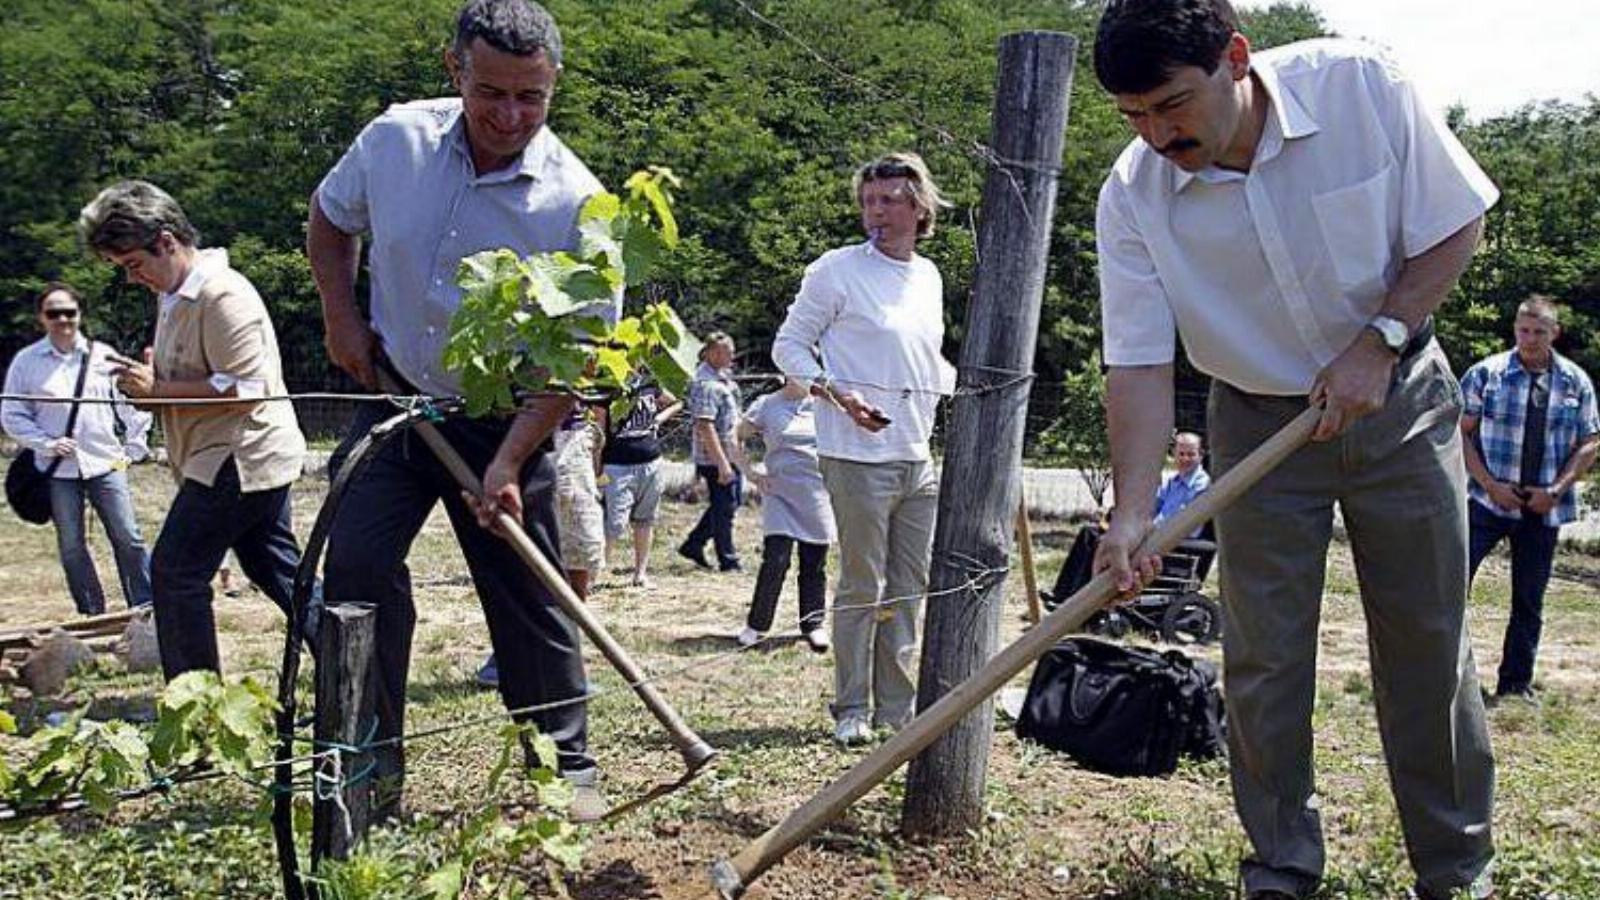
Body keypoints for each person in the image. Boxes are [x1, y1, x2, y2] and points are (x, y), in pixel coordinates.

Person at [1089, 3, 1498, 898]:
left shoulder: (1361, 88)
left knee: (1426, 644)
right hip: (1256, 428)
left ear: (1236, 58)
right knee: (1265, 658)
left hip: (1400, 402)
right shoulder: (1132, 196)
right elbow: (1140, 364)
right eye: (1135, 117)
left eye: (1172, 105)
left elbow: (1456, 222)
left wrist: (1380, 339)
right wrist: (1130, 514)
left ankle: (1456, 868)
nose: (1158, 135)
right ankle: (1281, 864)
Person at [305, 0, 607, 820]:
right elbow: (330, 222)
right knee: (356, 577)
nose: (510, 116)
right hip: (394, 397)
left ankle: (563, 769)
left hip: (503, 418)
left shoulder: (576, 203)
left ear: (554, 86)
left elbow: (575, 355)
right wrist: (341, 315)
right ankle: (365, 769)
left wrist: (510, 459)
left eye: (531, 98)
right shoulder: (394, 141)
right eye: (492, 93)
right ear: (455, 72)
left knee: (529, 594)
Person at [79, 180, 311, 679]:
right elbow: (204, 370)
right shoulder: (178, 293)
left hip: (237, 459)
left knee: (174, 573)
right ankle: (359, 664)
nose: (132, 278)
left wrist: (156, 390)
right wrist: (157, 375)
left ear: (165, 241)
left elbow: (246, 387)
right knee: (277, 571)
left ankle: (196, 712)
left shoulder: (223, 294)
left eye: (133, 264)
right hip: (226, 457)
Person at [773, 151, 956, 745]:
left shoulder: (928, 277)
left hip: (916, 457)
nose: (875, 211)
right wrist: (837, 394)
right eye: (868, 201)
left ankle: (896, 713)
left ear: (919, 206)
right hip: (855, 456)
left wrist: (972, 389)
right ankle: (851, 706)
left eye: (889, 199)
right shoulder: (837, 270)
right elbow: (789, 348)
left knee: (908, 587)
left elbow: (926, 360)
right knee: (862, 584)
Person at [1460, 295, 1599, 702]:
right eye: (1524, 330)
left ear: (1554, 333)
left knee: (1529, 600)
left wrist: (1556, 491)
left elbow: (1590, 441)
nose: (1530, 339)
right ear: (1515, 329)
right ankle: (1449, 677)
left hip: (1542, 507)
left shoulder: (1575, 382)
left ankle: (1515, 684)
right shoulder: (1488, 374)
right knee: (1451, 588)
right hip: (1487, 502)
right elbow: (1460, 432)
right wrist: (1489, 485)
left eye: (1539, 331)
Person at [3, 283, 153, 616]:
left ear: (79, 314)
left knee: (129, 538)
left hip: (105, 461)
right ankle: (92, 614)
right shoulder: (26, 363)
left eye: (69, 312)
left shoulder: (103, 356)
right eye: (53, 313)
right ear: (41, 318)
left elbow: (132, 400)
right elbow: (12, 413)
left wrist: (134, 446)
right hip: (57, 469)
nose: (63, 320)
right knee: (72, 546)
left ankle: (145, 611)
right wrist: (46, 443)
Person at [478, 402, 604, 689]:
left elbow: (598, 405)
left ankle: (564, 660)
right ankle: (505, 658)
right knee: (526, 557)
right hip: (531, 446)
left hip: (576, 445)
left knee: (581, 554)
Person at [733, 377, 835, 652]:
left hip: (817, 492)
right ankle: (757, 625)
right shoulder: (767, 405)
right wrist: (751, 473)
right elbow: (734, 436)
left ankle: (813, 625)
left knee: (814, 563)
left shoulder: (825, 404)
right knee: (775, 560)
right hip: (779, 493)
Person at [1050, 431, 1210, 602]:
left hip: (1173, 540)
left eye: (1191, 454)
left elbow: (1181, 522)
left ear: (1201, 455)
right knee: (1089, 532)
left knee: (1100, 541)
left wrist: (1142, 528)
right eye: (1181, 454)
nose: (1185, 459)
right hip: (1153, 532)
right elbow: (1150, 507)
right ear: (1174, 455)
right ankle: (1062, 595)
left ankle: (1080, 602)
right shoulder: (1173, 482)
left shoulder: (1202, 486)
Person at [602, 377, 680, 587]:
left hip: (650, 461)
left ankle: (640, 574)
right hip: (617, 464)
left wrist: (659, 419)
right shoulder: (608, 384)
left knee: (645, 520)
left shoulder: (649, 383)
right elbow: (600, 428)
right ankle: (594, 574)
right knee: (613, 524)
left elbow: (676, 402)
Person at [679, 332, 743, 572]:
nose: (731, 356)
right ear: (711, 353)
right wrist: (722, 464)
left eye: (731, 351)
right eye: (726, 351)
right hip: (715, 457)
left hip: (731, 452)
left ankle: (694, 544)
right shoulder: (705, 384)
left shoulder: (723, 379)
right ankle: (728, 559)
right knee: (725, 507)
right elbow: (705, 426)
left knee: (728, 503)